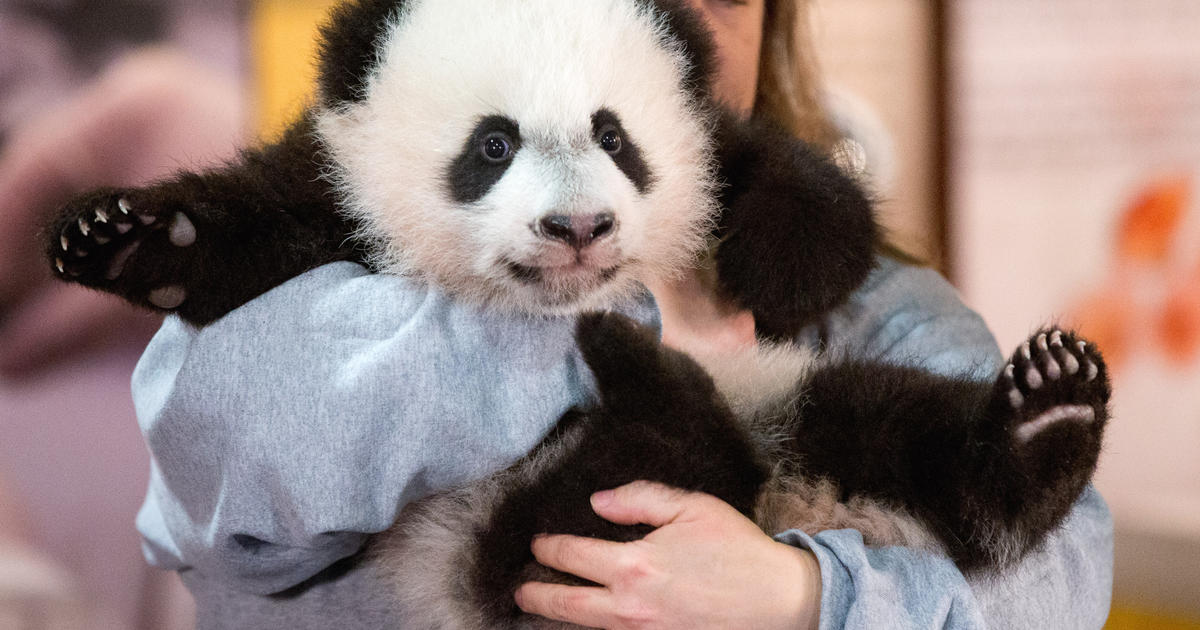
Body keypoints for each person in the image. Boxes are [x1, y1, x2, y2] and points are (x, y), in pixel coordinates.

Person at [51, 0, 1117, 628]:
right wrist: (616, 336)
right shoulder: (390, 184)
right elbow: (225, 481)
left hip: (749, 453)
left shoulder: (882, 301)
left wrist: (796, 597)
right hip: (520, 553)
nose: (685, 20)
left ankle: (991, 468)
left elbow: (1059, 585)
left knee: (860, 419)